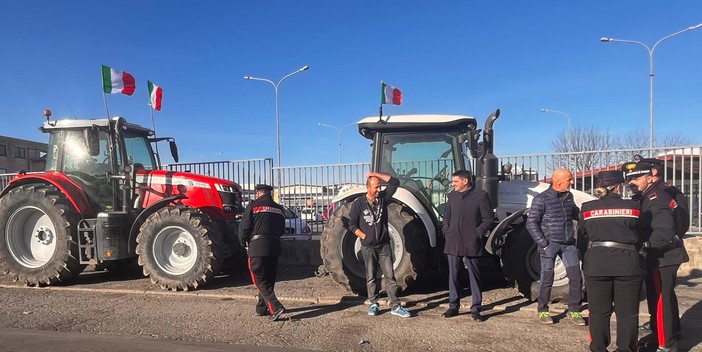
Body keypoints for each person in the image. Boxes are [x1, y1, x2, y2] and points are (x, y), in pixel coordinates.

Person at [623, 159, 689, 351]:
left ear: (651, 177)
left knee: (661, 300)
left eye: (636, 177)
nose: (631, 182)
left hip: (662, 256)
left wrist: (643, 247)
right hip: (658, 255)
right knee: (658, 297)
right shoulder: (646, 195)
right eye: (629, 178)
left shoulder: (656, 198)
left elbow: (663, 233)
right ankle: (661, 332)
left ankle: (666, 344)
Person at [579, 170, 642, 352]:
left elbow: (581, 239)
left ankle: (598, 347)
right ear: (618, 187)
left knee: (598, 312)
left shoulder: (587, 208)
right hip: (627, 263)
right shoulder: (634, 207)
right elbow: (643, 233)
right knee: (627, 313)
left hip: (597, 263)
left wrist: (587, 259)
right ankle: (626, 348)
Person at [347, 171, 411, 318]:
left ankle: (395, 305)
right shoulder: (359, 204)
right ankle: (374, 303)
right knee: (370, 277)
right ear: (368, 188)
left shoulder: (382, 199)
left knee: (390, 276)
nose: (379, 190)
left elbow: (394, 182)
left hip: (384, 245)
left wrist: (374, 174)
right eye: (376, 187)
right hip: (368, 247)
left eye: (380, 187)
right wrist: (364, 235)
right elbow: (351, 224)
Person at [526, 168, 585, 325]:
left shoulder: (568, 196)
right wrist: (543, 243)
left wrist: (590, 216)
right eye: (569, 179)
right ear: (558, 182)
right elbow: (531, 223)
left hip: (568, 244)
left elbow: (575, 213)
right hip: (550, 244)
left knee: (576, 277)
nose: (571, 182)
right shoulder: (541, 199)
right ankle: (543, 310)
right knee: (547, 278)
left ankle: (574, 310)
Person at [441, 170, 493, 322]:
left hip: (471, 242)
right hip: (453, 241)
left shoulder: (480, 195)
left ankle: (476, 308)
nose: (453, 184)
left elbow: (488, 218)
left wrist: (477, 233)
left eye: (455, 181)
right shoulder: (452, 196)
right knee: (453, 275)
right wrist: (447, 230)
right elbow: (447, 216)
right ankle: (453, 306)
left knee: (474, 276)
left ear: (465, 181)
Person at [238, 184, 287, 321]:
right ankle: (262, 308)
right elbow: (282, 229)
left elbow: (244, 227)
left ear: (258, 193)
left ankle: (276, 307)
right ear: (269, 193)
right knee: (268, 279)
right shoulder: (279, 208)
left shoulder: (253, 206)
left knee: (259, 279)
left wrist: (243, 243)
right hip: (274, 247)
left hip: (257, 247)